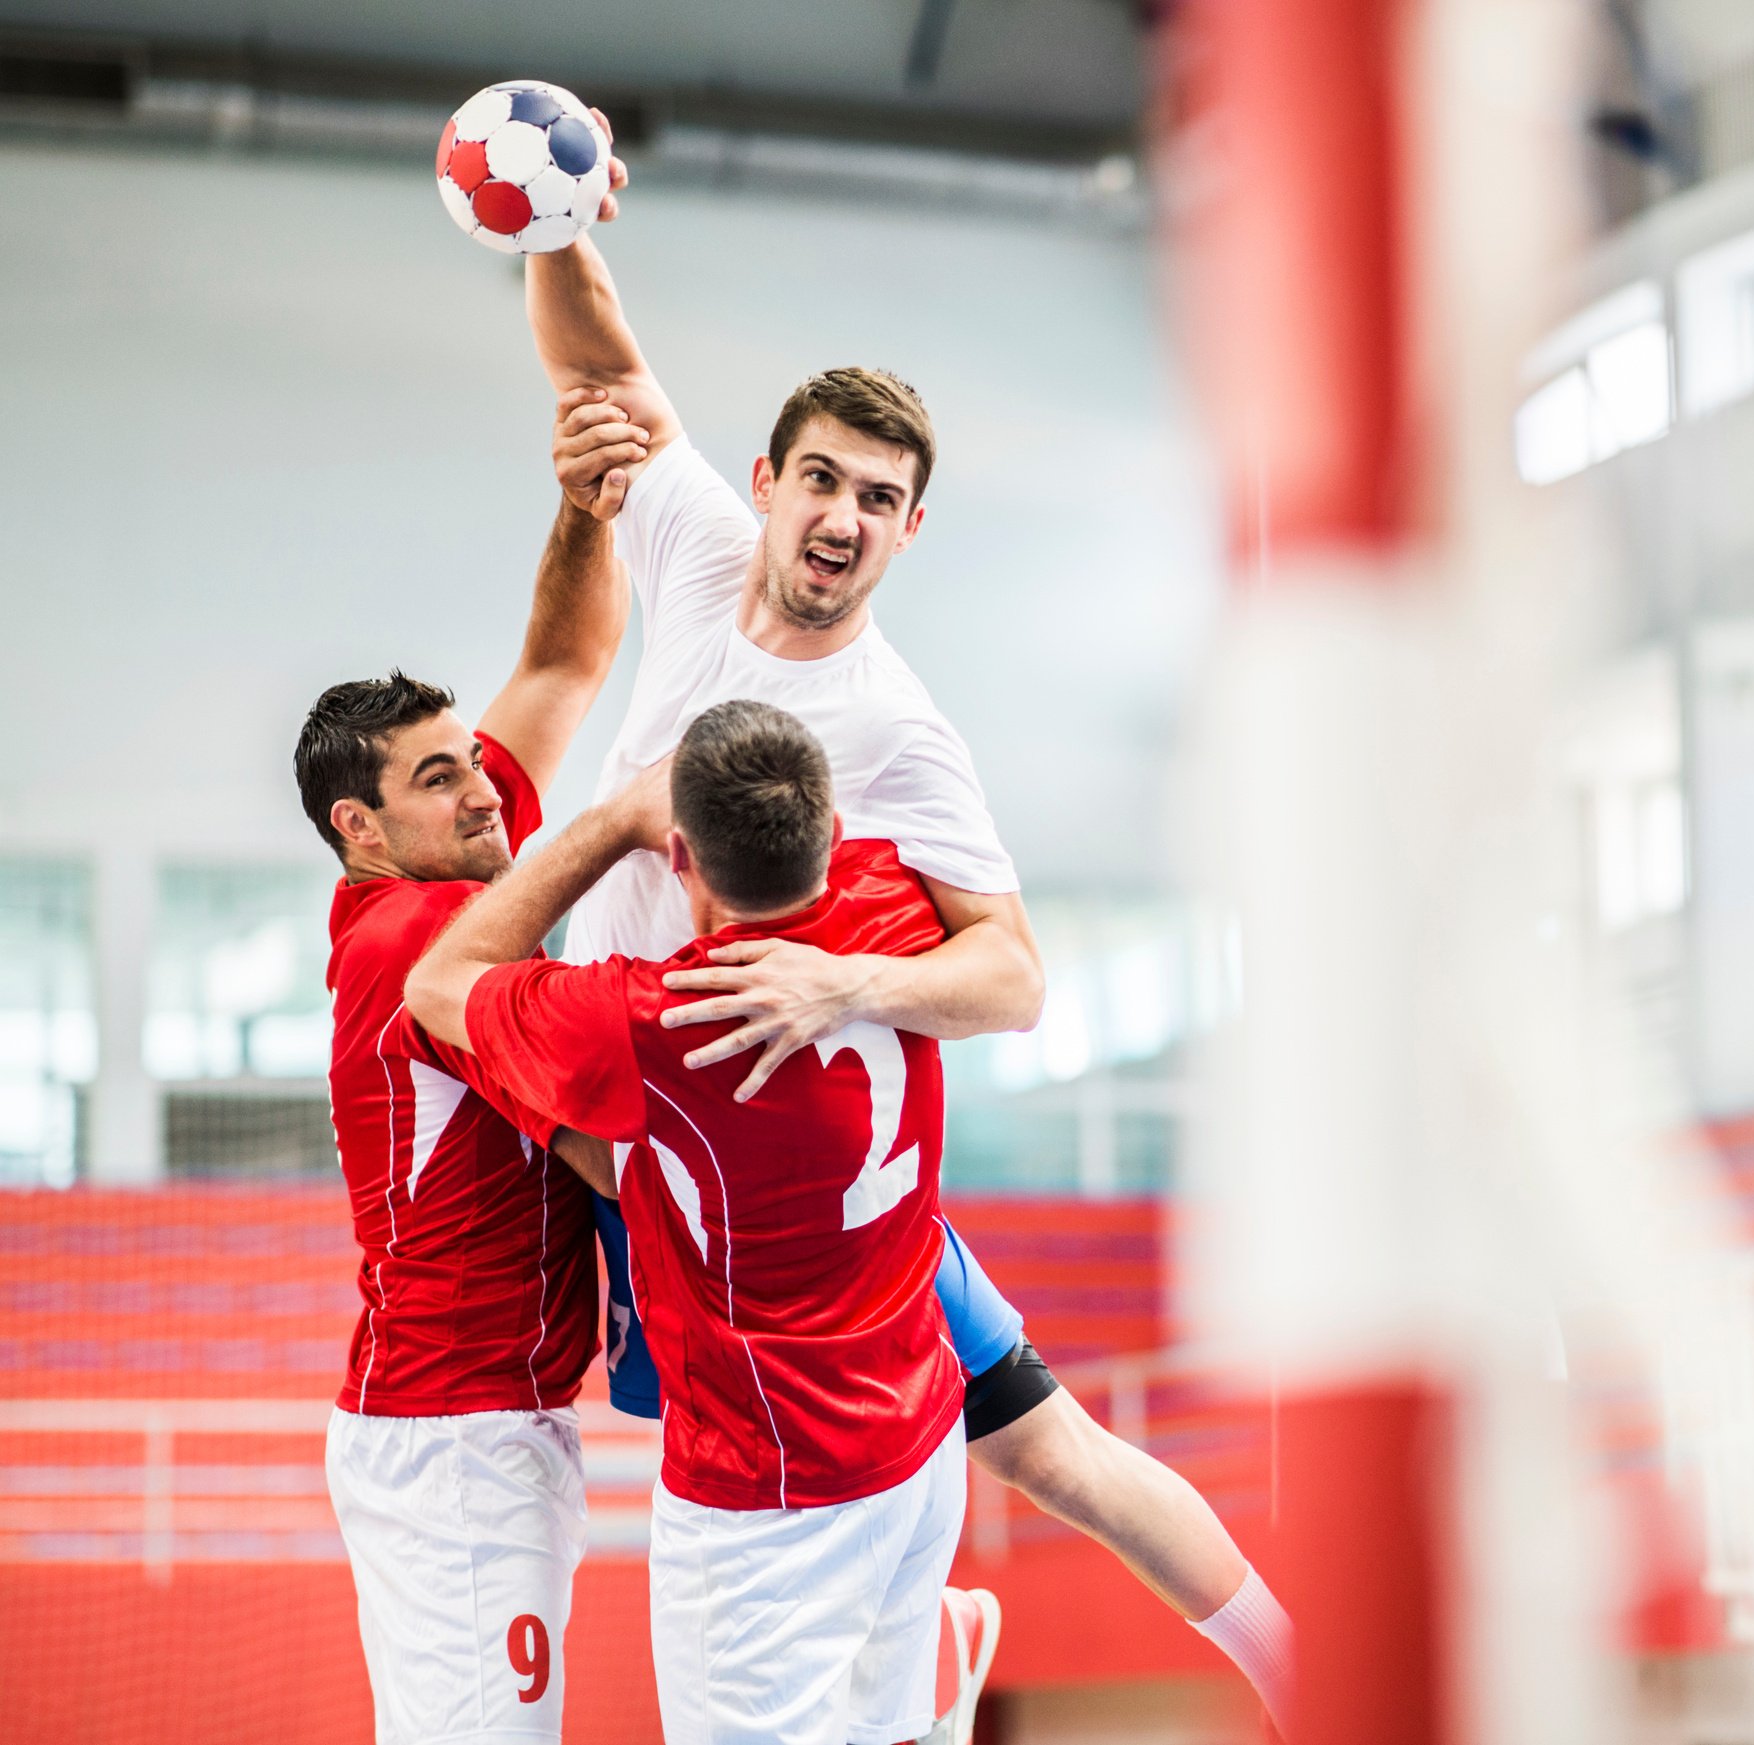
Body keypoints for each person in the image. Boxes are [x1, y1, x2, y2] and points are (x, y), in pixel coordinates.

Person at [523, 120, 1295, 1728]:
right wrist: (546, 218)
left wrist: (835, 981)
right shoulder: (690, 543)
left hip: (797, 1171)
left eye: (882, 500)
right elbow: (600, 353)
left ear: (908, 531)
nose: (845, 517)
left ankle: (1310, 1675)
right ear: (768, 481)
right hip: (652, 1133)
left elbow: (1012, 973)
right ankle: (921, 1642)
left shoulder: (896, 727)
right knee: (803, 1446)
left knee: (1041, 1450)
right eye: (824, 479)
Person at [405, 701, 969, 1745]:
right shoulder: (892, 903)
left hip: (768, 1500)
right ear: (832, 831)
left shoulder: (654, 1019)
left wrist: (614, 817)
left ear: (680, 857)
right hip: (923, 1439)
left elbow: (437, 981)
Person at [295, 462, 628, 1744]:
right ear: (361, 827)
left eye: (467, 763)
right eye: (441, 777)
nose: (484, 788)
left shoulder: (452, 876)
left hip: (470, 1422)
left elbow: (560, 667)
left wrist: (589, 498)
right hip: (459, 1442)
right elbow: (612, 1152)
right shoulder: (423, 938)